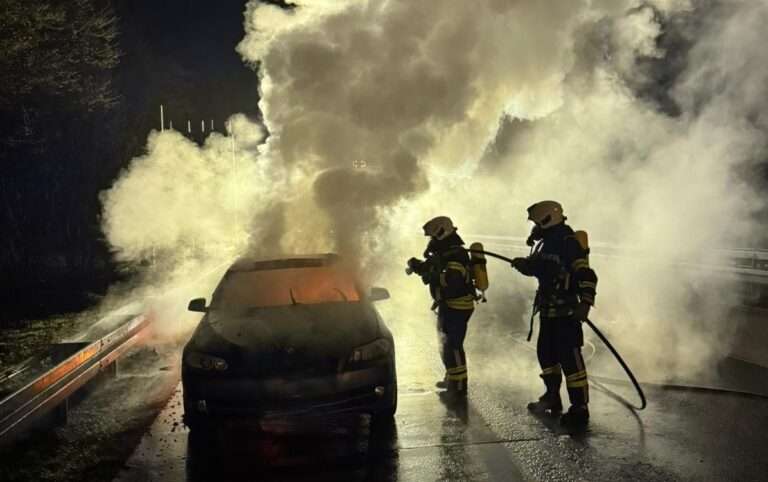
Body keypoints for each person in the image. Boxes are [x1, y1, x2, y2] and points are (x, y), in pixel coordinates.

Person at [510, 201, 598, 428]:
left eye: (537, 223)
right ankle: (552, 397)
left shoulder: (568, 242)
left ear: (547, 220)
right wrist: (524, 265)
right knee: (546, 355)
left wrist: (585, 303)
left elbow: (587, 274)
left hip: (566, 313)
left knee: (570, 361)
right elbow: (540, 268)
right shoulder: (547, 242)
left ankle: (580, 408)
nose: (535, 227)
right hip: (548, 311)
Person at [407, 216, 476, 395]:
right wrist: (417, 266)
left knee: (453, 345)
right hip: (447, 305)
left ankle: (459, 385)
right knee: (445, 344)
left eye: (432, 236)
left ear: (441, 233)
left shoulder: (456, 254)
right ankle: (452, 377)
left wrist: (431, 276)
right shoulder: (443, 252)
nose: (431, 240)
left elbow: (452, 282)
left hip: (458, 306)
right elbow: (431, 267)